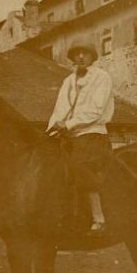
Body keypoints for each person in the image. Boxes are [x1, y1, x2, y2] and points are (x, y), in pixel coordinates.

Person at [47, 40, 114, 235]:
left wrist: (67, 125)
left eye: (85, 53)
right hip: (69, 134)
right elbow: (59, 109)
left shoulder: (102, 77)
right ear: (73, 58)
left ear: (92, 56)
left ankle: (98, 217)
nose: (81, 57)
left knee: (79, 165)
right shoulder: (68, 81)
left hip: (92, 133)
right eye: (77, 54)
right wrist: (50, 130)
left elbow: (95, 110)